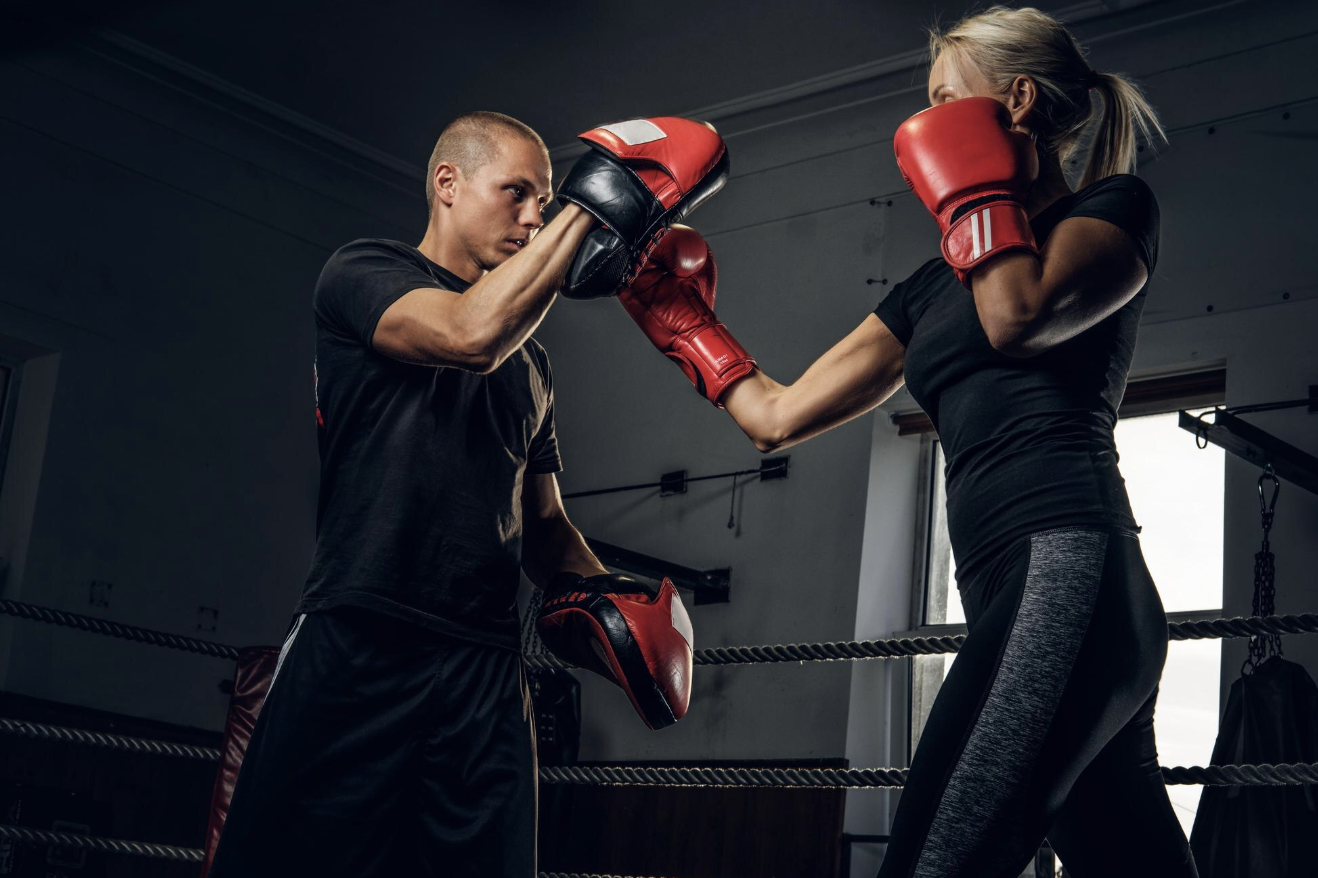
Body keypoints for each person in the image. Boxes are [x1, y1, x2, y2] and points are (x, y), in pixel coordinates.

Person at [618, 6, 1197, 877]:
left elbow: (1019, 318)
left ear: (1019, 102)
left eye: (941, 101)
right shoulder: (932, 288)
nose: (920, 125)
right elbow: (775, 415)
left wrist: (977, 188)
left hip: (1068, 573)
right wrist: (681, 317)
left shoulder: (1114, 213)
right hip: (1026, 596)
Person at [209, 111, 713, 878]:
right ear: (446, 184)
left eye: (545, 200)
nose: (535, 215)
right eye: (516, 193)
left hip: (484, 668)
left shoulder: (533, 363)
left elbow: (545, 526)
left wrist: (609, 605)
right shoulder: (362, 273)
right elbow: (466, 335)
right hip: (361, 633)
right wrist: (594, 205)